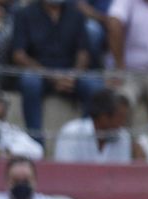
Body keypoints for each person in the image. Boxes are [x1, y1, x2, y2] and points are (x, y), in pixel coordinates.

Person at [12, 0, 104, 145]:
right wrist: (51, 76)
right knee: (29, 81)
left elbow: (84, 52)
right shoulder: (25, 14)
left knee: (94, 86)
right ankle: (35, 143)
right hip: (41, 73)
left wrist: (73, 75)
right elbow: (19, 55)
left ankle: (83, 142)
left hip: (70, 74)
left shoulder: (76, 14)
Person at [53, 87, 140, 163]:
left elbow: (121, 174)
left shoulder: (123, 136)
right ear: (103, 117)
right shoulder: (71, 133)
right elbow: (64, 173)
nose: (123, 123)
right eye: (120, 117)